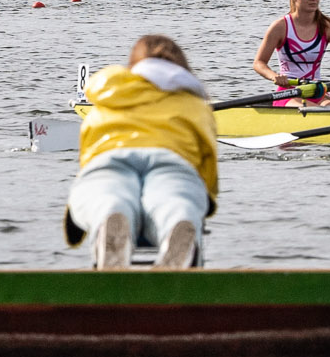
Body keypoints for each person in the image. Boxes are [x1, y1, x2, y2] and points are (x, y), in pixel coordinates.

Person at [66, 34, 217, 269]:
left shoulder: (108, 97)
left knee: (106, 194)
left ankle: (111, 213)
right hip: (171, 159)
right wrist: (205, 199)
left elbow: (88, 152)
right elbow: (207, 156)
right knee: (172, 200)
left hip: (110, 158)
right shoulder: (195, 104)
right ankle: (178, 220)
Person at [251, 0, 330, 103]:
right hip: (288, 92)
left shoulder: (328, 26)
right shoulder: (280, 27)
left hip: (316, 91)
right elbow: (259, 63)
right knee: (314, 111)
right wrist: (275, 76)